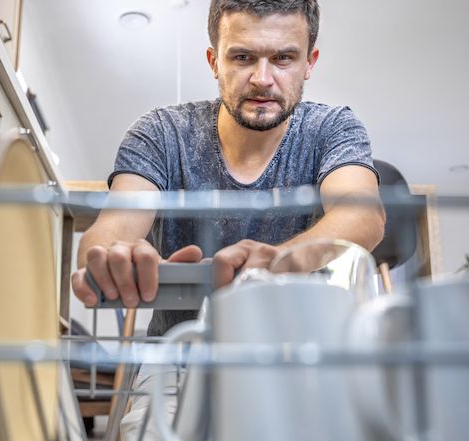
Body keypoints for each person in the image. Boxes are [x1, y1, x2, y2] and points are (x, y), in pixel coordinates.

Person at [72, 0, 386, 340]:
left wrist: (276, 262)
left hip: (296, 358)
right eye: (242, 58)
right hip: (179, 356)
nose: (263, 79)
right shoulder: (161, 132)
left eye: (283, 58)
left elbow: (363, 216)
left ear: (308, 63)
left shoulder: (333, 127)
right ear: (214, 62)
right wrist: (114, 253)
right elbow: (112, 228)